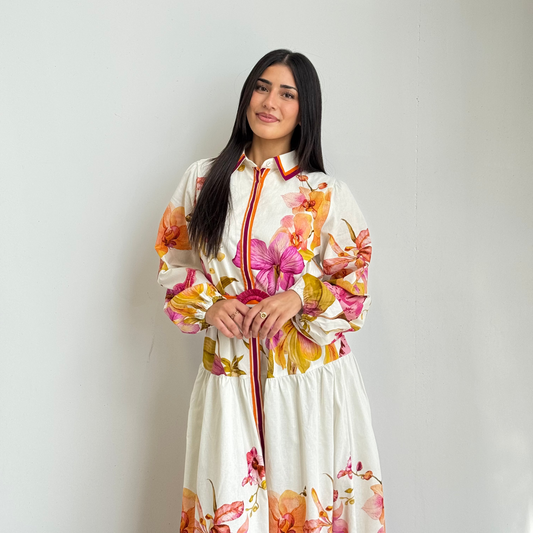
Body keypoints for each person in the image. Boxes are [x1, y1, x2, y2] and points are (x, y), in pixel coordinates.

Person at [154, 49, 386, 533]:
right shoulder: (203, 179)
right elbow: (173, 259)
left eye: (287, 94)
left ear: (305, 111)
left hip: (309, 384)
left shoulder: (324, 193)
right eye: (262, 87)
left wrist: (299, 296)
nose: (269, 102)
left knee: (305, 508)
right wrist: (210, 305)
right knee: (229, 506)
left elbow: (355, 286)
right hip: (230, 374)